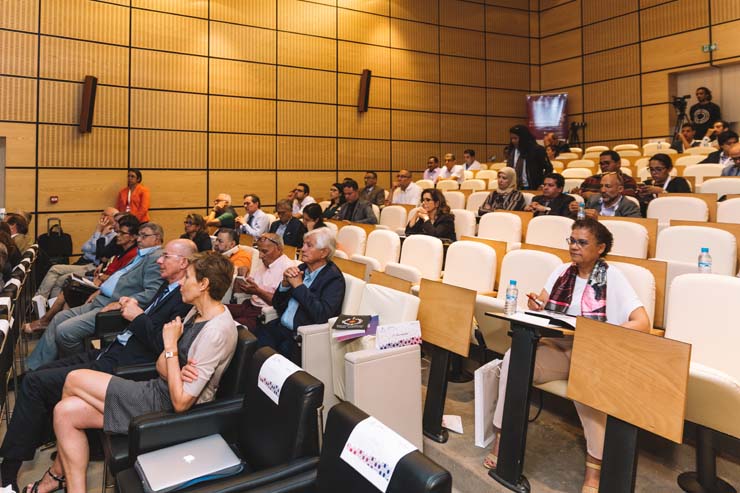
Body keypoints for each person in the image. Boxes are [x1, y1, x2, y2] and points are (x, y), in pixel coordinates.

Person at [0, 239, 195, 493]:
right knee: (35, 377)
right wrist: (133, 309)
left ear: (183, 263)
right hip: (110, 351)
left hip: (123, 367)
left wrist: (138, 316)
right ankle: (49, 445)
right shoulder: (167, 286)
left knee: (35, 384)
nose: (159, 260)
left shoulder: (184, 297)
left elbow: (162, 343)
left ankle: (8, 473)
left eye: (166, 256)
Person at [33, 251, 237, 493]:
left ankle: (56, 475)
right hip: (157, 389)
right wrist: (175, 367)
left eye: (188, 277)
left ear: (204, 284)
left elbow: (181, 402)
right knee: (65, 411)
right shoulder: (196, 312)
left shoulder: (215, 331)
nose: (181, 283)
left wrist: (171, 348)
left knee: (74, 378)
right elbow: (161, 365)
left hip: (168, 407)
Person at [485, 219, 650, 493]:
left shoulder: (613, 277)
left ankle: (594, 468)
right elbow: (543, 305)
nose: (574, 247)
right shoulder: (562, 272)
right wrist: (536, 305)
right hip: (558, 346)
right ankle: (504, 441)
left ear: (600, 248)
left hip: (593, 351)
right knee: (515, 359)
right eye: (571, 240)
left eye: (582, 242)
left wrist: (602, 332)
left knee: (586, 379)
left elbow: (642, 322)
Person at [25, 223, 164, 371]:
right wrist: (101, 289)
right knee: (58, 318)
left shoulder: (155, 258)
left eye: (144, 236)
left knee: (65, 332)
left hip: (112, 307)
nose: (139, 239)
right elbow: (121, 277)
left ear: (157, 238)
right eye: (139, 235)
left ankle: (79, 369)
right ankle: (34, 367)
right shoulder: (141, 254)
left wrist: (122, 303)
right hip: (101, 299)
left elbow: (152, 292)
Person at [23, 216, 141, 334]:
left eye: (122, 233)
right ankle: (50, 323)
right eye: (118, 232)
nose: (118, 235)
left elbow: (119, 275)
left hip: (103, 288)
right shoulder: (122, 249)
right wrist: (103, 267)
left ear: (133, 237)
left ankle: (46, 322)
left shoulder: (133, 254)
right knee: (67, 287)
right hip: (97, 277)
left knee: (69, 289)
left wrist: (103, 276)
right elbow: (87, 249)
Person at [252, 228, 345, 363]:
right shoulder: (301, 268)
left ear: (324, 252)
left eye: (309, 245)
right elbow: (277, 304)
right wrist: (284, 285)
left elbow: (322, 315)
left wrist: (299, 286)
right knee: (251, 345)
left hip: (300, 337)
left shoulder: (333, 279)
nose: (303, 249)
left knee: (270, 362)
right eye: (303, 244)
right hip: (280, 326)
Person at [29, 208, 119, 317]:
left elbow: (97, 251)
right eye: (102, 214)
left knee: (61, 279)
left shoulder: (113, 236)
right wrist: (98, 234)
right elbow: (85, 248)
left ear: (113, 219)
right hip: (85, 261)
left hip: (93, 266)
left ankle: (50, 310)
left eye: (105, 215)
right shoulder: (101, 231)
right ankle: (40, 301)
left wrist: (99, 232)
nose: (102, 217)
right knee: (54, 268)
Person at [227, 233, 294, 330]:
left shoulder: (288, 269)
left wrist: (258, 291)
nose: (260, 256)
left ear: (279, 249)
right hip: (248, 305)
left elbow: (279, 303)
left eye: (264, 251)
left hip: (262, 313)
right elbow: (237, 293)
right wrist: (240, 276)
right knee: (216, 311)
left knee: (228, 326)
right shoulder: (264, 263)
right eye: (259, 250)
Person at [568, 173, 641, 218]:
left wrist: (600, 218)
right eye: (601, 186)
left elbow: (633, 229)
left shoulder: (630, 206)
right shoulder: (593, 200)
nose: (602, 190)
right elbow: (582, 220)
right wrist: (577, 211)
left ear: (620, 189)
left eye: (608, 186)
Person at [507, 124, 552, 190]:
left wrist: (543, 184)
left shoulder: (537, 150)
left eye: (515, 138)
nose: (513, 141)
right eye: (511, 138)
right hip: (514, 187)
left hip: (533, 187)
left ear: (523, 138)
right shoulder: (511, 151)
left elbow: (548, 168)